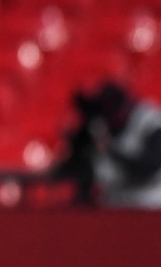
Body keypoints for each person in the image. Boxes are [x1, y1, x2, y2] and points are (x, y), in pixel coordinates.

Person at [54, 81, 161, 209]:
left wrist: (110, 149)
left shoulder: (149, 121)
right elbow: (80, 171)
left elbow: (147, 167)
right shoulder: (100, 128)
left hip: (149, 203)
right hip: (114, 205)